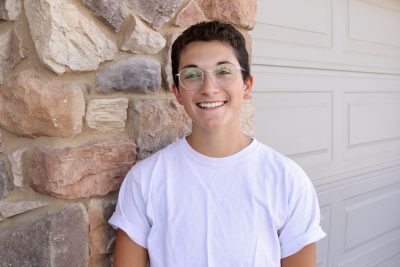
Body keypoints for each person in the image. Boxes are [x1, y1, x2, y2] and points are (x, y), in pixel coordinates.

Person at [109, 20, 326, 267]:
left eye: (223, 72)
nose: (209, 88)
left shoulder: (288, 180)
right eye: (192, 75)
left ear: (246, 85)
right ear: (178, 93)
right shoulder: (145, 179)